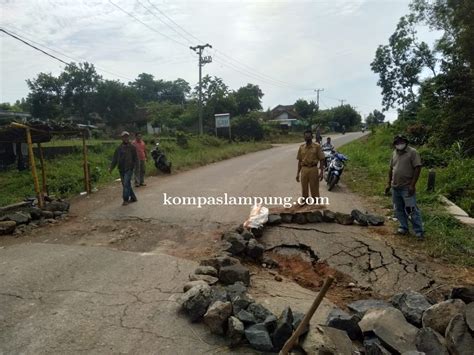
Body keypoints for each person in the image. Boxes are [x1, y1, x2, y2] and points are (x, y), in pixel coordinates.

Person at [385, 134, 424, 240]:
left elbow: (417, 168)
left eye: (401, 142)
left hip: (406, 187)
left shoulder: (413, 152)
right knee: (398, 209)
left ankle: (419, 231)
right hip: (395, 187)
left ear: (406, 142)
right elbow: (391, 168)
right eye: (397, 143)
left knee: (411, 209)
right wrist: (389, 183)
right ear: (395, 144)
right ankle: (403, 227)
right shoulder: (394, 153)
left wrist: (412, 185)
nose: (399, 144)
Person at [109, 131, 138, 206]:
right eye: (124, 137)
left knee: (125, 183)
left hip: (129, 169)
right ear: (122, 138)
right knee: (126, 184)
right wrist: (111, 168)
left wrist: (135, 167)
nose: (126, 138)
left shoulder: (132, 147)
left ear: (128, 137)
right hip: (121, 169)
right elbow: (115, 159)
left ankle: (125, 199)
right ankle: (133, 197)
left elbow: (136, 158)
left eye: (127, 136)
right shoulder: (118, 148)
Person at [296, 130, 325, 202]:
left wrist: (321, 172)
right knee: (304, 190)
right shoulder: (301, 147)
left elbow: (321, 159)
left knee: (314, 189)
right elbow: (299, 161)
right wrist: (297, 173)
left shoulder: (317, 146)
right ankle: (305, 207)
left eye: (309, 136)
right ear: (304, 137)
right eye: (306, 136)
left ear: (312, 137)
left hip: (313, 169)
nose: (307, 138)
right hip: (304, 169)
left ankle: (316, 207)